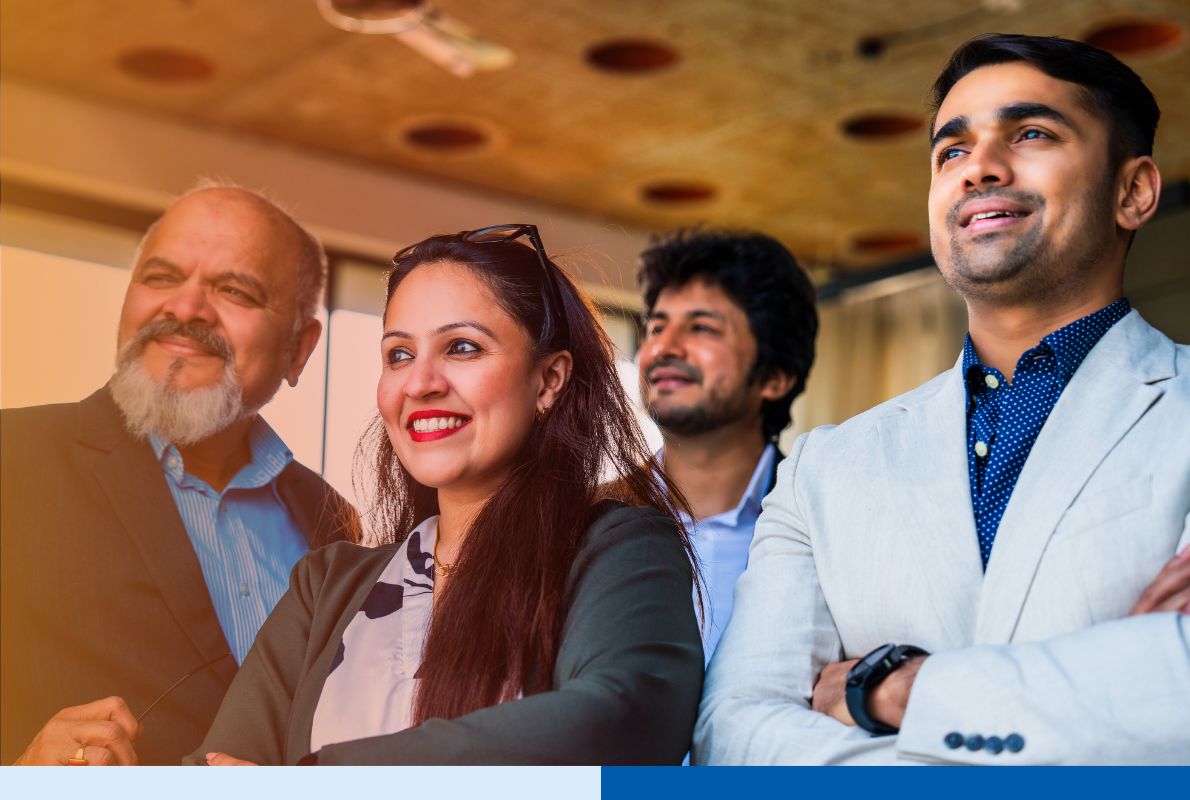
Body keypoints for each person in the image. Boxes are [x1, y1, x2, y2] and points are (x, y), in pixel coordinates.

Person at [695, 33, 1190, 765]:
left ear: (1133, 191)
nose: (981, 169)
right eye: (951, 151)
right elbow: (733, 732)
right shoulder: (824, 469)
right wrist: (1114, 683)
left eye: (1031, 133)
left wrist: (887, 691)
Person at [189, 224, 704, 765]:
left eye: (462, 347)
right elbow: (218, 770)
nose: (420, 383)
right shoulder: (325, 587)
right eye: (399, 354)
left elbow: (620, 721)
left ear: (549, 380)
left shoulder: (618, 550)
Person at [1, 182, 357, 766]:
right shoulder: (10, 459)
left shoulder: (333, 521)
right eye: (161, 278)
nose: (185, 309)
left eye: (234, 289)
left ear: (299, 346)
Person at [636, 229, 817, 663]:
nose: (663, 346)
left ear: (775, 377)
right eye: (657, 326)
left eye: (701, 328)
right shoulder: (582, 520)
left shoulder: (830, 530)